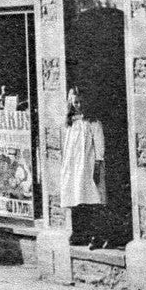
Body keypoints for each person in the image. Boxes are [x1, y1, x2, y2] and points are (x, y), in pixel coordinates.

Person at [59, 86, 107, 248]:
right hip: (73, 165)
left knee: (92, 197)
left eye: (81, 102)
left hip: (88, 164)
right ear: (71, 103)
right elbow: (66, 144)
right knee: (75, 196)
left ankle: (97, 235)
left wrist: (98, 163)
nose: (78, 105)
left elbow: (99, 144)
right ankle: (78, 232)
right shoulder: (70, 122)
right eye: (75, 103)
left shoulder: (92, 122)